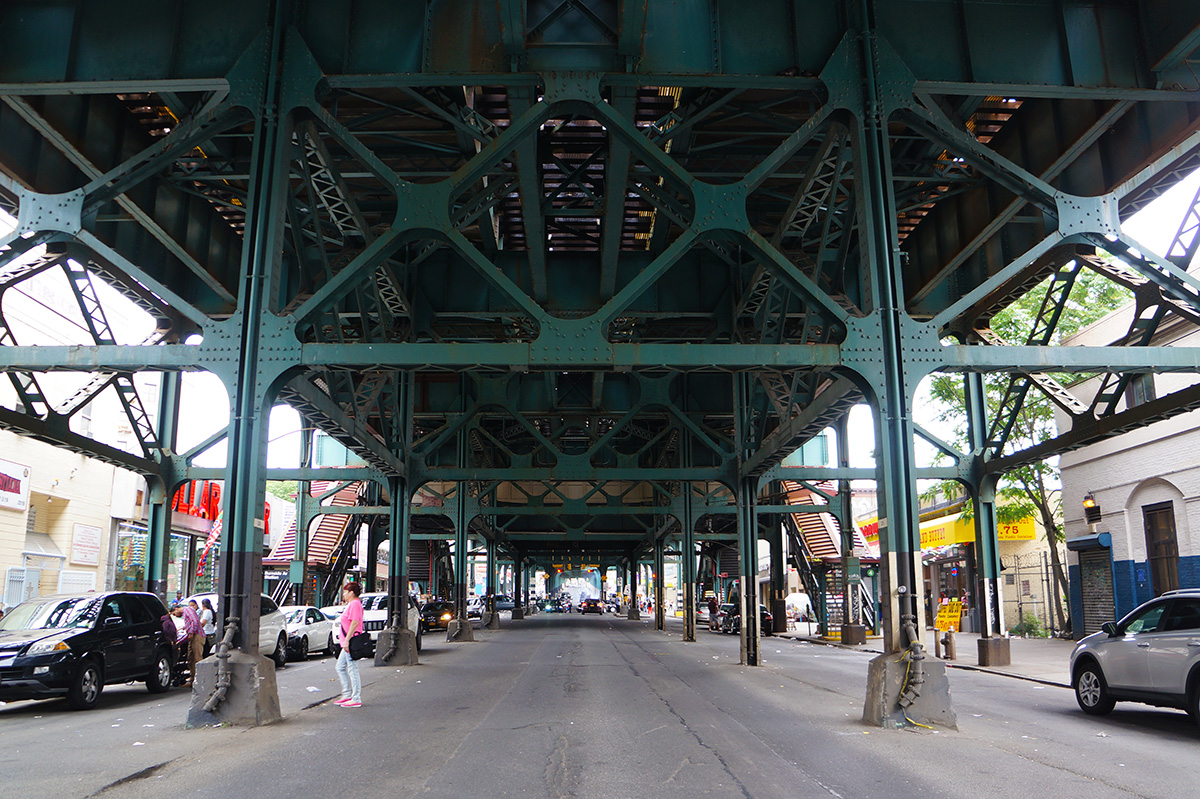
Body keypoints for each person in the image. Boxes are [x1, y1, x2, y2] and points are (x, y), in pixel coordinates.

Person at [334, 581, 364, 708]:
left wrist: (347, 639)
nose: (344, 595)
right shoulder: (352, 604)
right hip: (347, 641)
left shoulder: (355, 604)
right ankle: (347, 694)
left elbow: (354, 622)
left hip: (350, 641)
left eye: (346, 592)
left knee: (352, 669)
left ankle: (356, 698)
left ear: (351, 593)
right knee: (340, 667)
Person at [173, 600, 203, 687]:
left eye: (174, 614)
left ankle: (200, 680)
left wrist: (191, 632)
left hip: (197, 635)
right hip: (192, 636)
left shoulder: (187, 610)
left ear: (176, 609)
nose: (176, 616)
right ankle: (192, 679)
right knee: (190, 659)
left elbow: (194, 621)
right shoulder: (186, 613)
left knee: (197, 658)